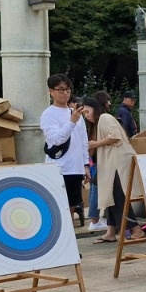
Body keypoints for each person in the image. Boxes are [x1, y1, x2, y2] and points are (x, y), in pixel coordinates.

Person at [84, 97, 140, 244]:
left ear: (94, 108)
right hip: (112, 163)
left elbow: (115, 137)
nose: (86, 115)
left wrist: (95, 144)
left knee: (117, 195)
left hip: (117, 163)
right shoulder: (100, 121)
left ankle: (135, 228)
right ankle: (110, 231)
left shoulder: (104, 117)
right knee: (109, 194)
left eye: (87, 111)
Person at [41, 74, 89, 227]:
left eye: (67, 89)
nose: (65, 93)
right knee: (57, 208)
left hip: (75, 168)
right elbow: (56, 139)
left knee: (72, 207)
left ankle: (69, 243)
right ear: (51, 91)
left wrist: (86, 165)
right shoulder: (48, 114)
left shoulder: (75, 113)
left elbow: (83, 141)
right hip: (58, 168)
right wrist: (72, 121)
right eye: (60, 90)